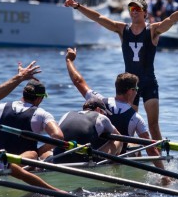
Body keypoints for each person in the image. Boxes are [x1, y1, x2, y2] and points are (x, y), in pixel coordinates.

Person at [64, 0, 178, 143]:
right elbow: (99, 17)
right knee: (129, 126)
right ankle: (133, 157)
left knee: (153, 125)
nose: (134, 12)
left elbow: (170, 21)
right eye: (132, 8)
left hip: (149, 83)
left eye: (138, 9)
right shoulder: (122, 29)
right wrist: (77, 6)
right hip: (129, 86)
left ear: (145, 12)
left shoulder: (153, 30)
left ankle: (160, 156)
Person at [64, 48, 171, 185]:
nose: (137, 93)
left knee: (132, 143)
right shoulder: (135, 118)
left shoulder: (98, 100)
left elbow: (78, 81)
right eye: (136, 90)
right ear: (131, 91)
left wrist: (69, 60)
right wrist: (164, 174)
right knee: (137, 143)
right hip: (117, 161)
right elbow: (150, 148)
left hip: (93, 155)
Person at [0, 79, 64, 161]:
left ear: (23, 93)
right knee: (45, 153)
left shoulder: (0, 108)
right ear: (39, 99)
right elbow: (58, 137)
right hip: (26, 165)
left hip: (1, 163)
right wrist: (38, 152)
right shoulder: (41, 114)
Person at [52, 97, 122, 163]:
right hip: (83, 162)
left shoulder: (66, 115)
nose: (104, 115)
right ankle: (116, 164)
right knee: (118, 140)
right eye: (104, 112)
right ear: (98, 109)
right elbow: (118, 135)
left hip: (57, 159)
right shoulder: (101, 117)